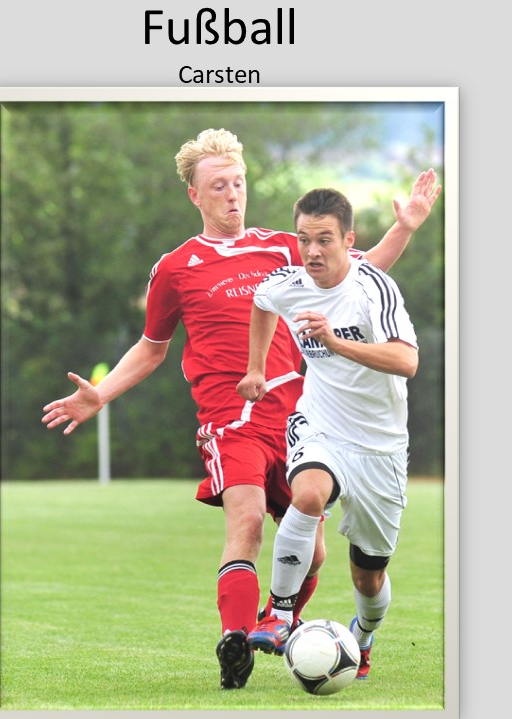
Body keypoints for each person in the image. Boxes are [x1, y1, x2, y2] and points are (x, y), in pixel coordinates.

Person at [41, 128, 440, 690]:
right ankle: (236, 639)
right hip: (230, 419)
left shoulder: (285, 247)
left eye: (238, 183)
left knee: (315, 553)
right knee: (247, 521)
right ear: (194, 195)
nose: (232, 195)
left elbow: (360, 272)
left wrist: (405, 226)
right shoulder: (176, 267)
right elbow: (152, 348)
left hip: (300, 417)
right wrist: (100, 394)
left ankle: (279, 620)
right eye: (218, 186)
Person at [238, 187, 420, 682]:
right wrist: (256, 368)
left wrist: (335, 342)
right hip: (320, 424)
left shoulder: (374, 288)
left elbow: (407, 360)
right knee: (309, 494)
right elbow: (262, 302)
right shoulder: (289, 282)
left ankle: (363, 636)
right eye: (304, 239)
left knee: (369, 575)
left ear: (348, 241)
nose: (312, 251)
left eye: (324, 240)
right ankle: (278, 614)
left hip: (381, 447)